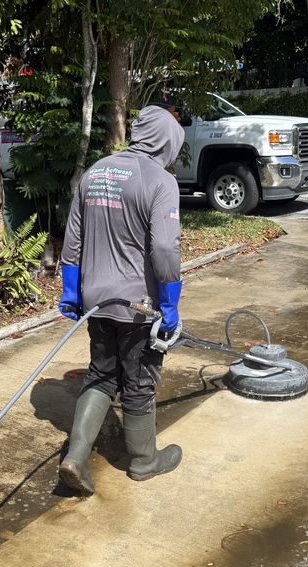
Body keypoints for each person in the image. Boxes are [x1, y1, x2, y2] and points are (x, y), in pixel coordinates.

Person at [58, 105, 185, 497]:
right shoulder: (161, 181)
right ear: (167, 141)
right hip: (138, 306)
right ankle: (145, 460)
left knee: (101, 374)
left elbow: (72, 240)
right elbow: (164, 249)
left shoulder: (96, 172)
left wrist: (71, 291)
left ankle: (75, 458)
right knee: (139, 379)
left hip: (96, 301)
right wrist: (170, 305)